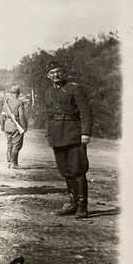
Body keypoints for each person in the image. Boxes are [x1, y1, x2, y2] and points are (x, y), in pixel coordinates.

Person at [44, 61, 93, 218]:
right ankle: (72, 203)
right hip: (57, 135)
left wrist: (85, 133)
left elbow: (85, 112)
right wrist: (49, 134)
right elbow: (49, 115)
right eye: (52, 73)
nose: (56, 75)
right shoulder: (48, 91)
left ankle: (82, 206)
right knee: (65, 170)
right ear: (48, 76)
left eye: (58, 71)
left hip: (73, 134)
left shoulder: (74, 88)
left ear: (63, 72)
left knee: (77, 170)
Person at [1, 84, 29, 170]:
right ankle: (14, 163)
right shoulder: (19, 103)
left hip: (7, 126)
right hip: (16, 126)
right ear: (18, 93)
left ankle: (9, 162)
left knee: (9, 144)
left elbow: (2, 116)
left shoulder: (6, 103)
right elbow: (21, 116)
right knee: (16, 145)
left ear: (11, 93)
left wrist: (2, 126)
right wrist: (24, 127)